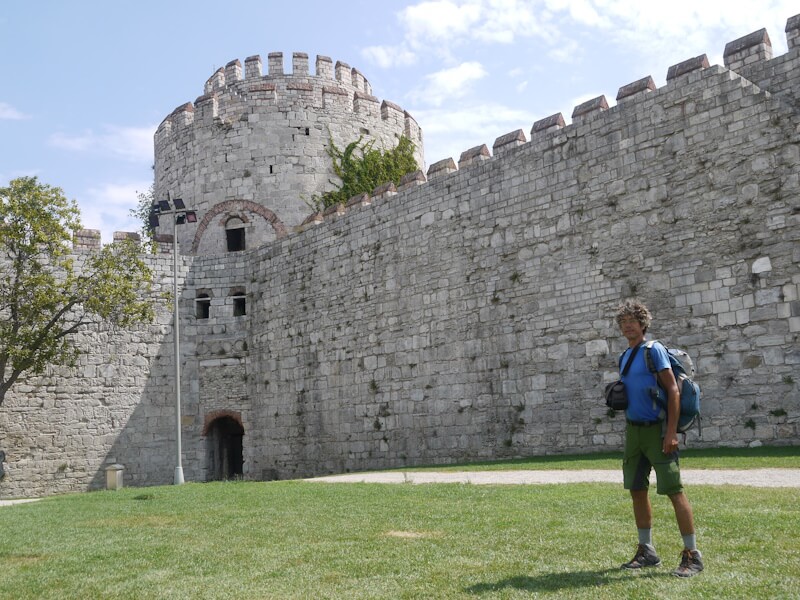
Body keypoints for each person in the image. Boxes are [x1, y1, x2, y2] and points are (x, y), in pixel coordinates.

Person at [614, 299, 703, 578]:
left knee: (674, 490)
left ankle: (692, 555)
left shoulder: (655, 351)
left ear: (643, 324)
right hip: (634, 431)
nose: (628, 325)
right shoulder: (624, 356)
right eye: (623, 321)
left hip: (658, 430)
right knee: (637, 490)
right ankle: (647, 550)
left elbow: (673, 391)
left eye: (633, 320)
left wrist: (671, 432)